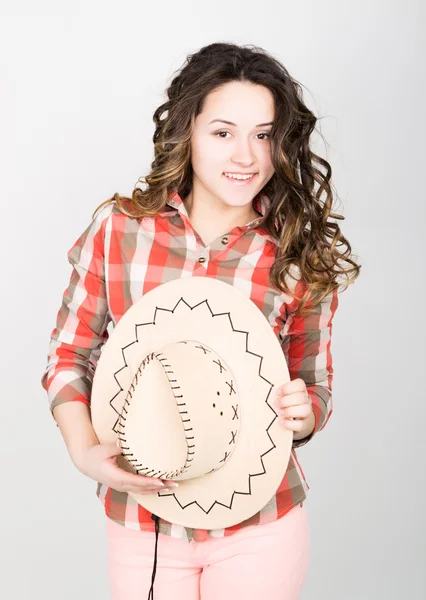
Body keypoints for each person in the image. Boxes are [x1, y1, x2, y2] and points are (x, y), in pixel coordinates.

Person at [41, 42, 360, 600]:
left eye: (263, 134)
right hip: (143, 523)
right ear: (186, 131)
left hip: (260, 525)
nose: (247, 156)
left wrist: (304, 412)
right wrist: (86, 451)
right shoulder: (120, 231)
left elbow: (315, 385)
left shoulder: (294, 253)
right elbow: (69, 354)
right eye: (222, 133)